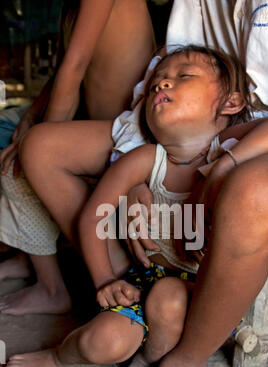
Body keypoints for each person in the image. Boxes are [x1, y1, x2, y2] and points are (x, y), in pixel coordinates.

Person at [9, 0, 268, 367]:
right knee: (99, 343)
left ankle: (172, 363)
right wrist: (108, 269)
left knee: (168, 298)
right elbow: (96, 213)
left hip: (180, 285)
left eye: (181, 78)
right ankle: (66, 349)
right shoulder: (151, 156)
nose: (162, 81)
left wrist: (226, 166)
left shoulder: (233, 140)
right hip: (141, 276)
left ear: (232, 103)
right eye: (159, 81)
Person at [0, 0, 154, 315]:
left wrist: (40, 141)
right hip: (104, 128)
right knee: (13, 134)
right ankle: (32, 256)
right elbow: (64, 68)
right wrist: (31, 117)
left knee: (21, 160)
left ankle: (52, 286)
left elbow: (75, 67)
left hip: (128, 136)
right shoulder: (72, 5)